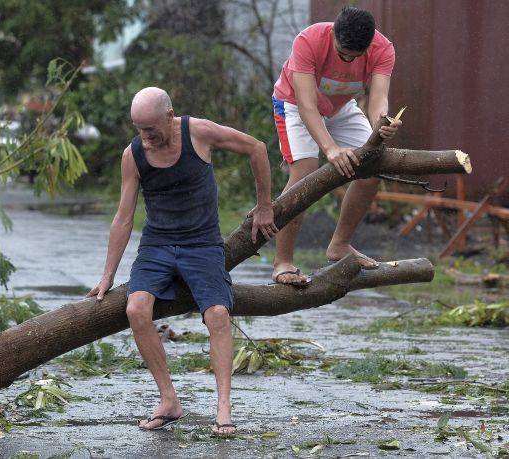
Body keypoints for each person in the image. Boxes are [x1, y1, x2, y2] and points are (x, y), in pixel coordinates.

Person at [87, 87, 277, 436]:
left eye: (151, 128)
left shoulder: (198, 132)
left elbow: (257, 147)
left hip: (202, 244)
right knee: (135, 309)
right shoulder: (133, 154)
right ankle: (169, 399)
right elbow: (124, 218)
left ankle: (223, 409)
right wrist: (107, 275)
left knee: (218, 314)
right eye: (139, 129)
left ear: (170, 116)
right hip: (157, 246)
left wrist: (265, 204)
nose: (145, 137)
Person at [271, 6, 402, 286]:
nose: (348, 60)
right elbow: (306, 106)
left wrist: (383, 123)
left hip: (340, 109)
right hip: (293, 105)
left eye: (355, 57)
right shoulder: (308, 40)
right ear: (333, 34)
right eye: (343, 54)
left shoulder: (383, 49)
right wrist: (330, 149)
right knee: (305, 170)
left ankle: (339, 245)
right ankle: (283, 261)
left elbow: (378, 99)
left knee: (372, 167)